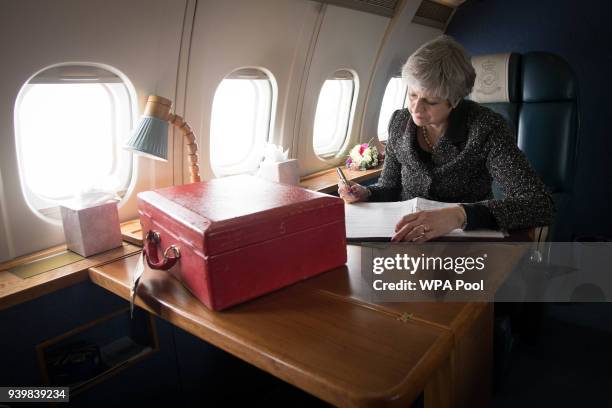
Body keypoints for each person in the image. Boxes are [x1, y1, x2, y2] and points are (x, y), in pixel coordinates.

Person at [338, 35, 554, 242]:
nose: (416, 108)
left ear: (456, 99)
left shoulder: (486, 128)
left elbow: (539, 204)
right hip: (405, 235)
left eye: (430, 102)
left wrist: (460, 215)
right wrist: (365, 193)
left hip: (464, 240)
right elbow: (389, 187)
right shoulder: (399, 122)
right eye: (412, 95)